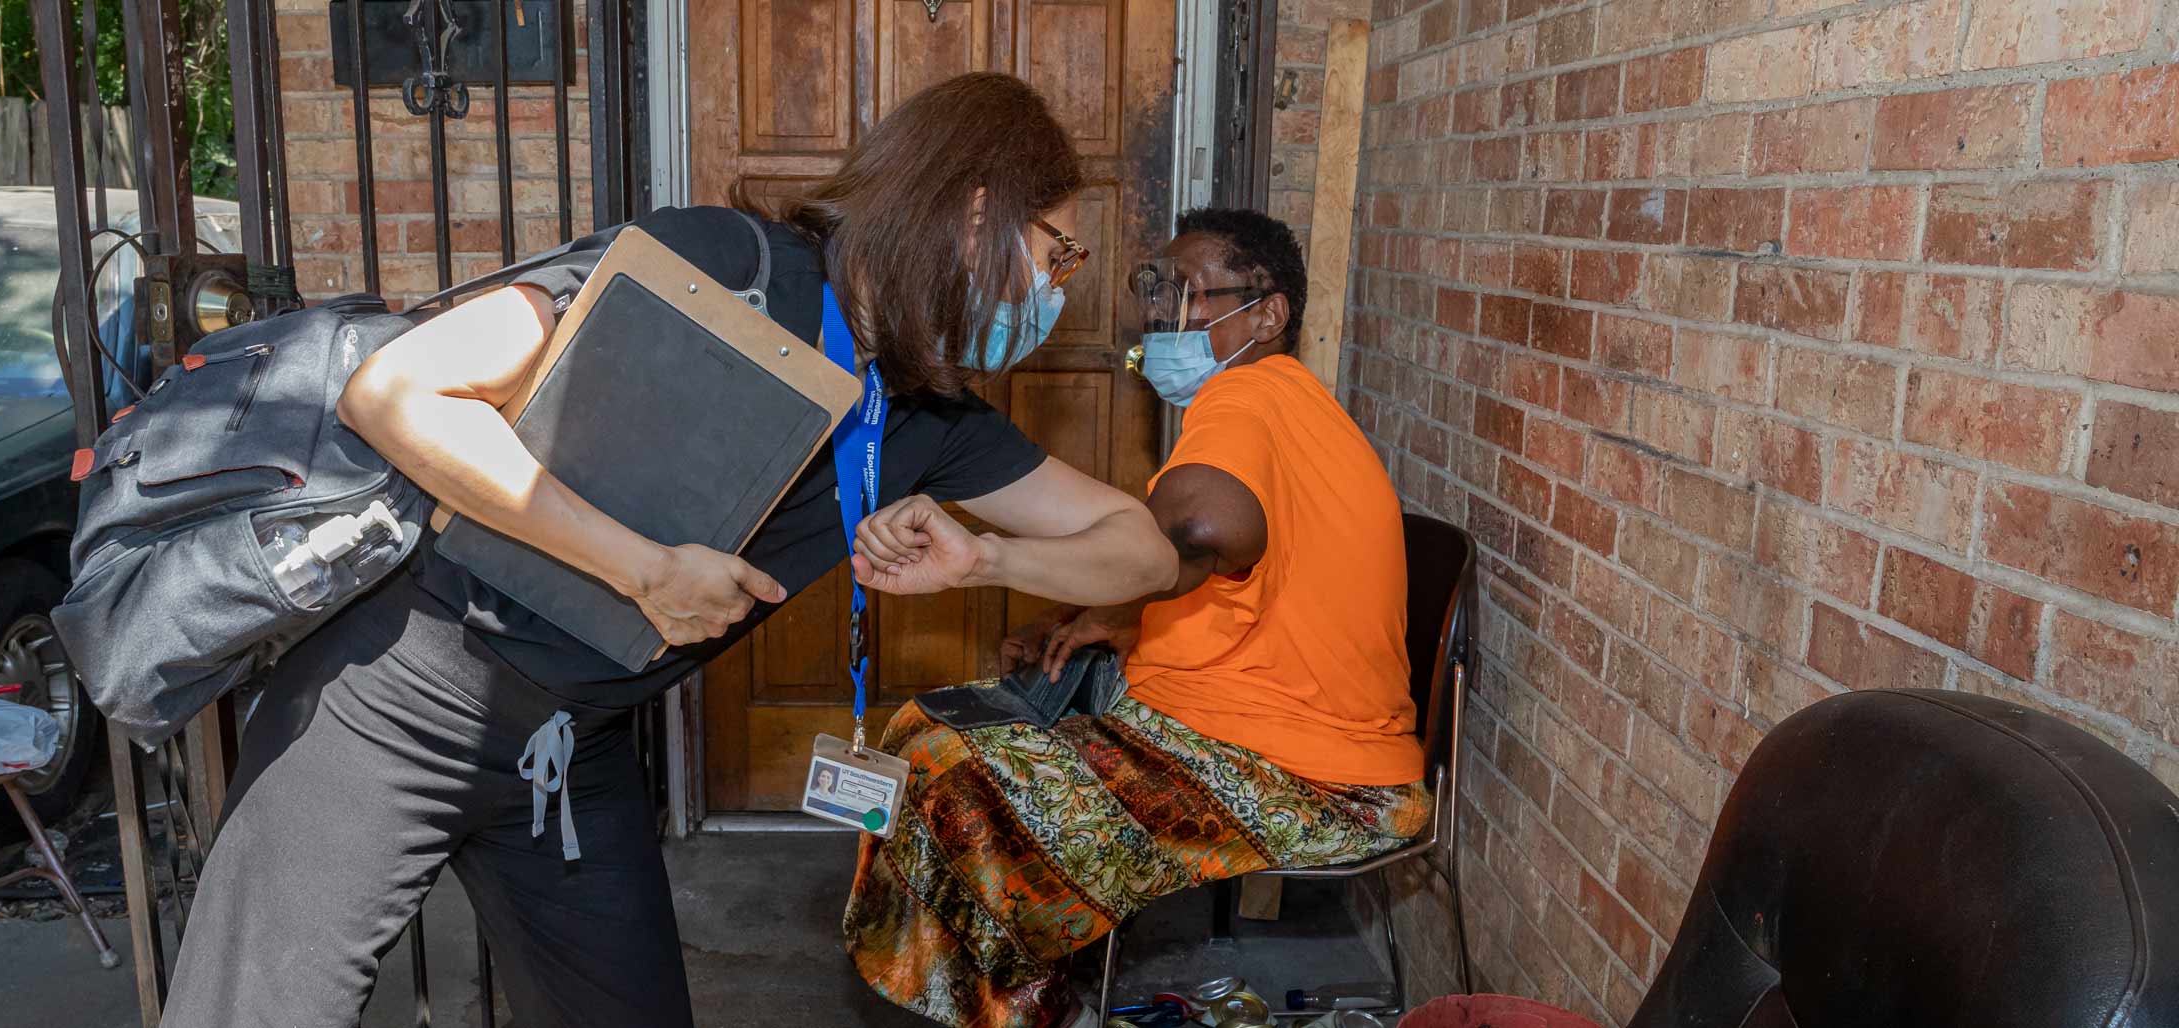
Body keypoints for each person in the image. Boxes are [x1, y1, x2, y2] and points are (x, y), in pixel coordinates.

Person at [161, 73, 1178, 1028]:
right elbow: (396, 391)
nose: (1055, 289)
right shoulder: (718, 265)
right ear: (974, 210)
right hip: (394, 703)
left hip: (572, 749)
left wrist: (985, 561)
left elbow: (1143, 553)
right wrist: (639, 567)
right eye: (1056, 253)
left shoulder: (930, 417)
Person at [844, 208, 1431, 1028]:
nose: (1163, 316)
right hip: (1252, 724)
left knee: (954, 792)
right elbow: (1260, 578)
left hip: (1310, 775)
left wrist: (1005, 562)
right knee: (922, 735)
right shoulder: (1288, 407)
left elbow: (1202, 531)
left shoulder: (1249, 396)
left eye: (1190, 295)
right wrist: (1110, 618)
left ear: (1267, 315)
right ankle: (1026, 984)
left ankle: (1020, 1007)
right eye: (1156, 293)